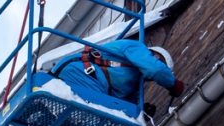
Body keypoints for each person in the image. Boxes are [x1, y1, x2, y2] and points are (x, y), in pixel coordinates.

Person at [47, 39, 185, 104]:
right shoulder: (136, 47)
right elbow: (155, 69)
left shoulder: (134, 85)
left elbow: (122, 106)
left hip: (91, 84)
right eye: (160, 62)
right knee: (93, 113)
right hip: (78, 72)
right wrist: (173, 84)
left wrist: (142, 111)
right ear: (154, 56)